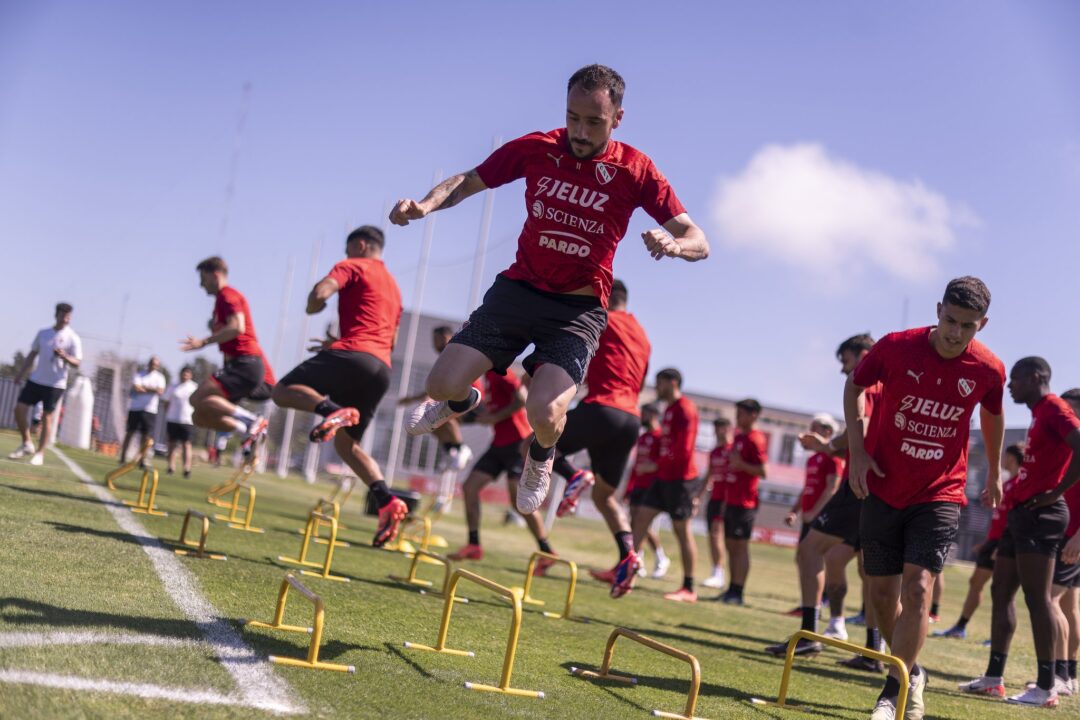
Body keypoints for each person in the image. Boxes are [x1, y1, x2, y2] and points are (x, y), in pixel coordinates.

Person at [391, 64, 708, 518]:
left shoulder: (635, 169)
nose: (579, 131)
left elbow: (700, 238)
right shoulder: (539, 147)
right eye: (572, 117)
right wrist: (424, 205)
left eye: (593, 122)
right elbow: (468, 180)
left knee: (544, 411)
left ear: (617, 118)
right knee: (439, 384)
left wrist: (676, 245)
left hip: (576, 310)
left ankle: (542, 456)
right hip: (519, 291)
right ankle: (462, 401)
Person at [847, 276, 1006, 720]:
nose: (956, 333)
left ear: (983, 325)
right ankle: (913, 671)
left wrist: (993, 473)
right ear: (938, 310)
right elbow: (855, 387)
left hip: (940, 492)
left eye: (968, 326)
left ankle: (893, 689)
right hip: (882, 483)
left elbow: (993, 415)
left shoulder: (989, 369)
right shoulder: (895, 347)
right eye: (950, 320)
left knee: (919, 587)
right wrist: (857, 451)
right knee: (881, 595)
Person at [270, 226, 409, 547]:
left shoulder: (353, 265)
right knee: (348, 447)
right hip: (380, 368)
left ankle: (332, 411)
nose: (346, 256)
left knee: (281, 392)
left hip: (353, 355)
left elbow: (321, 294)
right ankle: (386, 500)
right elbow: (390, 339)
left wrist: (312, 306)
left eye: (349, 249)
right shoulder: (394, 287)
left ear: (360, 245)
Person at [959, 357, 1080, 707]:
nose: (1009, 385)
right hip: (1020, 514)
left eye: (1016, 379)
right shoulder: (1039, 412)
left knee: (1038, 599)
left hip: (1043, 516)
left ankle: (1046, 687)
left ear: (1037, 377)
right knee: (1000, 591)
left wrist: (1056, 493)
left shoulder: (1055, 407)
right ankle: (993, 678)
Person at [766, 333, 884, 668]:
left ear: (862, 355)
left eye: (845, 362)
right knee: (868, 567)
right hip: (883, 486)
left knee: (810, 551)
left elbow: (859, 424)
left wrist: (827, 446)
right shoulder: (892, 383)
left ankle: (810, 635)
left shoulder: (868, 384)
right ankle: (871, 651)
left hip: (861, 483)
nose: (844, 371)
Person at [550, 279, 651, 597]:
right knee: (605, 496)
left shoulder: (600, 317)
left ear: (605, 297)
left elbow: (577, 357)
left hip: (603, 408)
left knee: (538, 442)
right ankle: (628, 557)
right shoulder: (643, 335)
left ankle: (573, 475)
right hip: (630, 418)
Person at [449, 368, 556, 569]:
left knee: (519, 500)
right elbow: (490, 407)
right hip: (498, 444)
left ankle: (547, 551)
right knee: (470, 488)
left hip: (517, 442)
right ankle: (473, 544)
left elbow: (521, 400)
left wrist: (494, 417)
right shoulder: (485, 375)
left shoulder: (503, 372)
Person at [180, 257, 275, 453]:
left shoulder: (227, 295)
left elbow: (237, 327)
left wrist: (204, 341)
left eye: (203, 278)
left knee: (195, 399)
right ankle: (245, 430)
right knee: (199, 415)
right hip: (239, 365)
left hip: (246, 364)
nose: (200, 284)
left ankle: (252, 421)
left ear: (215, 275)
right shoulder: (220, 301)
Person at [935, 444, 1024, 639]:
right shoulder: (1008, 483)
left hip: (1004, 544)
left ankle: (997, 637)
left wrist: (1001, 545)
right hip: (993, 542)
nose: (1002, 459)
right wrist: (987, 542)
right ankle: (960, 627)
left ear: (1011, 458)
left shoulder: (1019, 484)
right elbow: (1000, 518)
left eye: (1005, 456)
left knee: (1003, 590)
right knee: (977, 582)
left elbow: (1015, 519)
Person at [632, 368, 700, 602]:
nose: (656, 388)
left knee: (682, 531)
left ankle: (689, 588)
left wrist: (654, 465)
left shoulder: (685, 409)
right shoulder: (669, 409)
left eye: (659, 383)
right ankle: (626, 570)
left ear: (672, 383)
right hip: (664, 478)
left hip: (681, 481)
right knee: (640, 517)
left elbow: (684, 450)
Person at [9, 302, 82, 466]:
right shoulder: (43, 333)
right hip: (36, 379)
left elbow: (77, 362)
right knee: (19, 410)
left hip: (55, 384)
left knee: (47, 417)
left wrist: (65, 356)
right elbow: (32, 354)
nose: (66, 319)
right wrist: (20, 373)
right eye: (63, 315)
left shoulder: (73, 338)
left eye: (68, 316)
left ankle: (39, 453)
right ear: (56, 315)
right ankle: (27, 443)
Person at [398, 325, 474, 474]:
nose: (436, 343)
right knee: (432, 422)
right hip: (457, 395)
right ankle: (451, 451)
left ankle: (461, 449)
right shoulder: (445, 356)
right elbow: (438, 386)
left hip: (470, 397)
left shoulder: (455, 352)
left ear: (449, 337)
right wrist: (413, 398)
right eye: (434, 339)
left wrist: (427, 400)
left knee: (443, 415)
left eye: (440, 338)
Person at [720, 399, 768, 605]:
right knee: (730, 545)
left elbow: (763, 471)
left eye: (741, 414)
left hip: (745, 502)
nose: (737, 418)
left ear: (754, 415)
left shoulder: (756, 439)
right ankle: (731, 588)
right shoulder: (738, 436)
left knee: (740, 546)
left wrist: (741, 464)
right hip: (731, 499)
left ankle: (738, 592)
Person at [621, 403, 670, 578]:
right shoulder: (642, 438)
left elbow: (662, 463)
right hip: (638, 487)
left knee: (642, 524)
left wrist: (652, 469)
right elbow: (636, 466)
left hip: (652, 488)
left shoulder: (660, 437)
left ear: (653, 415)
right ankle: (638, 559)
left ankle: (660, 557)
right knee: (635, 523)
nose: (642, 417)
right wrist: (628, 488)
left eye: (645, 414)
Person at [702, 417, 733, 590]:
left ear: (728, 428)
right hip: (714, 498)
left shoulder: (732, 451)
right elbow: (709, 475)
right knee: (713, 536)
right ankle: (716, 572)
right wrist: (698, 496)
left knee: (717, 535)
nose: (717, 431)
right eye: (715, 428)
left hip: (727, 499)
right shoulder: (714, 452)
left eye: (721, 427)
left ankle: (718, 573)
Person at [120, 356, 166, 465]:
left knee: (146, 436)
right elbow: (137, 388)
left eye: (155, 364)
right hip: (135, 408)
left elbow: (160, 391)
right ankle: (122, 457)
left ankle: (142, 459)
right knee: (130, 433)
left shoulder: (160, 377)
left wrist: (145, 388)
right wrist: (152, 389)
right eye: (151, 363)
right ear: (148, 363)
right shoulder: (139, 374)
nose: (153, 366)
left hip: (150, 410)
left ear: (157, 366)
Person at [163, 365, 199, 477]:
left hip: (187, 420)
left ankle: (186, 468)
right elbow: (166, 401)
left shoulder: (194, 387)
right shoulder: (173, 386)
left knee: (186, 444)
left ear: (190, 375)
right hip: (173, 419)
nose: (185, 375)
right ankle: (170, 467)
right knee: (172, 444)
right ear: (180, 374)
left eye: (187, 373)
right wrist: (168, 414)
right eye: (183, 373)